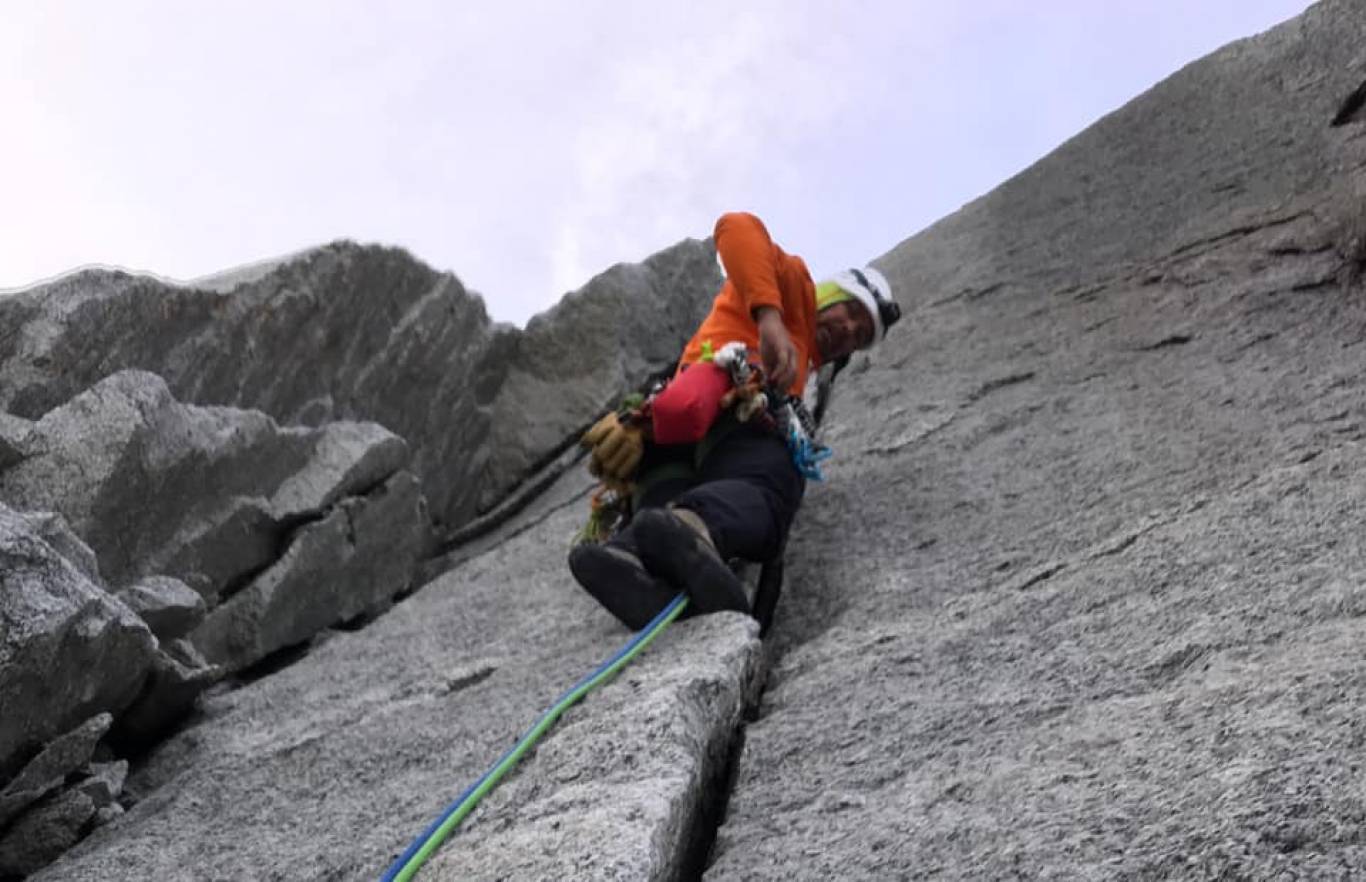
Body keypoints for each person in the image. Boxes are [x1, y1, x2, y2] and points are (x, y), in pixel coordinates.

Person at [569, 211, 901, 629]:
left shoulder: (806, 362)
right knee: (772, 486)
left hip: (669, 435)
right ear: (829, 292)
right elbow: (736, 226)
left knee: (662, 502)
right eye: (850, 311)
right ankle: (692, 526)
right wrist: (770, 316)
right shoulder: (791, 287)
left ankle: (630, 557)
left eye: (858, 335)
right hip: (735, 413)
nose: (847, 329)